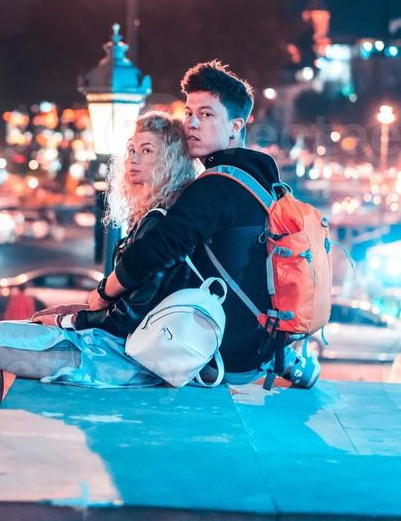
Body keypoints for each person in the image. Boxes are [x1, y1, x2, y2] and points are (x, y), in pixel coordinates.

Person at [0, 111, 196, 519]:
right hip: (109, 351)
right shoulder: (150, 219)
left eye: (147, 151)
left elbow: (128, 320)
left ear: (170, 159)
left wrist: (68, 322)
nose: (133, 159)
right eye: (131, 150)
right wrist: (74, 309)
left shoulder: (158, 226)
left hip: (110, 359)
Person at [89, 60, 320, 389]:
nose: (192, 124)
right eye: (189, 113)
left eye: (207, 114)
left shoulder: (217, 186)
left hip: (223, 350)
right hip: (262, 342)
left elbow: (156, 250)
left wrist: (104, 292)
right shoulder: (260, 182)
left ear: (235, 126)